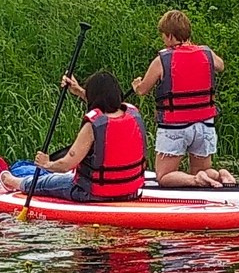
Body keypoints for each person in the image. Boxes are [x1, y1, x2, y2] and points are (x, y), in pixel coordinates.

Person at [135, 10, 237, 187]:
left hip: (175, 125)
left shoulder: (162, 60)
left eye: (163, 36)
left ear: (169, 36)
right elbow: (220, 65)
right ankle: (220, 175)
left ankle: (194, 180)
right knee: (202, 170)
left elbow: (143, 90)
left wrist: (136, 85)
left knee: (164, 176)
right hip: (205, 124)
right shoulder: (206, 53)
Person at [24, 72, 150, 201]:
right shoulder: (133, 113)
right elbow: (104, 103)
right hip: (130, 191)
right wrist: (78, 90)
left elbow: (65, 165)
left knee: (48, 181)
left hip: (93, 194)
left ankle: (15, 183)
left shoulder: (93, 125)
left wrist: (46, 164)